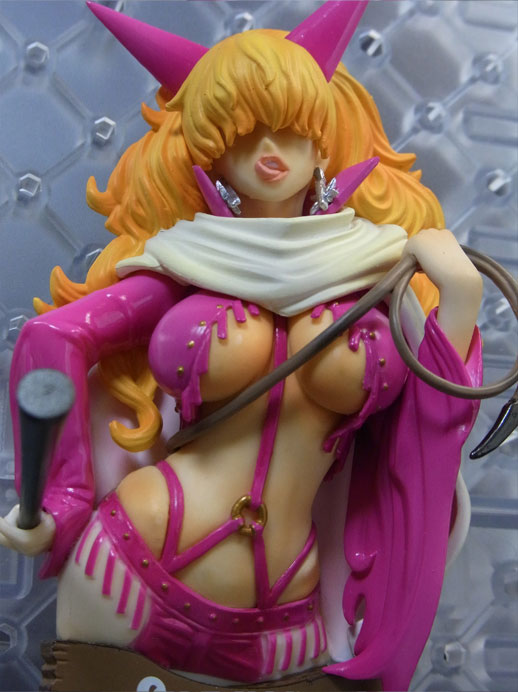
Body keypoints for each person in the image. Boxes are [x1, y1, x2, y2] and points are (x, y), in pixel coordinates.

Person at [0, 2, 483, 690]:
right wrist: (66, 496)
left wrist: (459, 298)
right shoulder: (185, 266)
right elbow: (53, 336)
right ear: (213, 151)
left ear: (322, 142)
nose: (268, 151)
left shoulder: (377, 278)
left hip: (288, 609)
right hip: (135, 562)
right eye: (243, 132)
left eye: (290, 129)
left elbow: (434, 419)